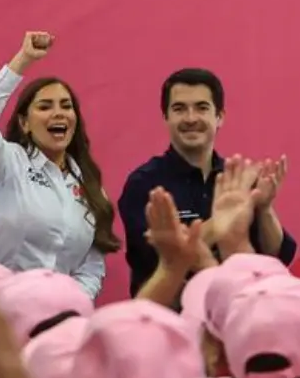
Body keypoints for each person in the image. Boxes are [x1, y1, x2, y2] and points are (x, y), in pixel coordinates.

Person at [0, 32, 120, 298]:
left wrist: (67, 307)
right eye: (45, 107)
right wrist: (22, 60)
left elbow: (91, 268)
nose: (58, 113)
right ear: (24, 123)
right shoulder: (7, 162)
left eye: (66, 106)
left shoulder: (91, 186)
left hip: (55, 319)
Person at [119, 68, 295, 296]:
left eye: (202, 108)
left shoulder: (234, 179)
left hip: (232, 315)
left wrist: (264, 208)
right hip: (170, 318)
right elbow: (159, 260)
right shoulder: (144, 184)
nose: (191, 118)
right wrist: (218, 223)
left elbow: (276, 256)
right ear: (166, 117)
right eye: (179, 109)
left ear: (219, 116)